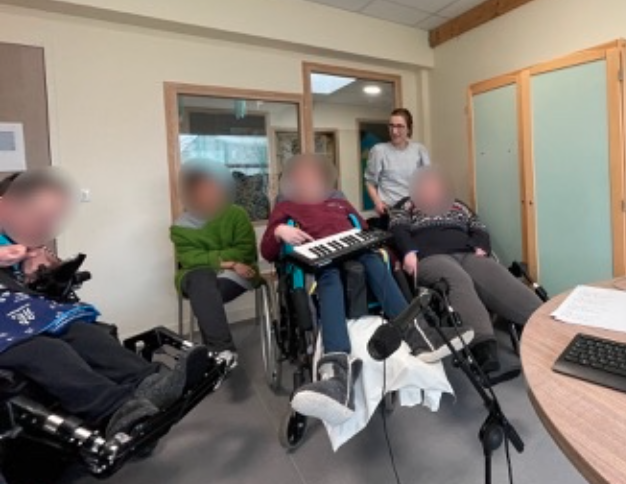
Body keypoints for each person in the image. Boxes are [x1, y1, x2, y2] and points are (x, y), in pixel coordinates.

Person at [261, 154, 472, 426]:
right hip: (321, 258)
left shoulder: (338, 201)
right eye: (302, 177)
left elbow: (364, 230)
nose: (308, 181)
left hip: (354, 249)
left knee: (375, 262)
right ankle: (338, 375)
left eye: (313, 176)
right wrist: (279, 231)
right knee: (330, 280)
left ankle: (420, 336)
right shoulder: (285, 206)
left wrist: (388, 254)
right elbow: (268, 251)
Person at [0, 170, 206, 438]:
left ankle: (149, 385)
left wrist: (44, 269)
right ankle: (116, 411)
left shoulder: (21, 240)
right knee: (46, 350)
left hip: (24, 313)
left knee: (83, 333)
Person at [389, 166, 543, 374]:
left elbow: (478, 225)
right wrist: (408, 251)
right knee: (457, 279)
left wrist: (481, 245)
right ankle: (483, 346)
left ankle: (540, 322)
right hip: (431, 257)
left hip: (466, 252)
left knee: (494, 273)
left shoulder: (458, 205)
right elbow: (397, 228)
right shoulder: (406, 205)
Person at [170, 160, 260, 370]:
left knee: (204, 296)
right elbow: (189, 259)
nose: (207, 193)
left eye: (211, 187)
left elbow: (245, 249)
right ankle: (223, 350)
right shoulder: (180, 226)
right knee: (202, 280)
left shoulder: (236, 214)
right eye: (200, 189)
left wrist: (216, 261)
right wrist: (229, 262)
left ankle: (217, 355)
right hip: (197, 276)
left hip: (239, 272)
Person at [364, 108, 430, 220]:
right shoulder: (379, 151)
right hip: (390, 211)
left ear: (408, 129)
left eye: (399, 126)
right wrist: (377, 202)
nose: (394, 131)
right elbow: (370, 182)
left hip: (415, 210)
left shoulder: (420, 150)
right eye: (391, 126)